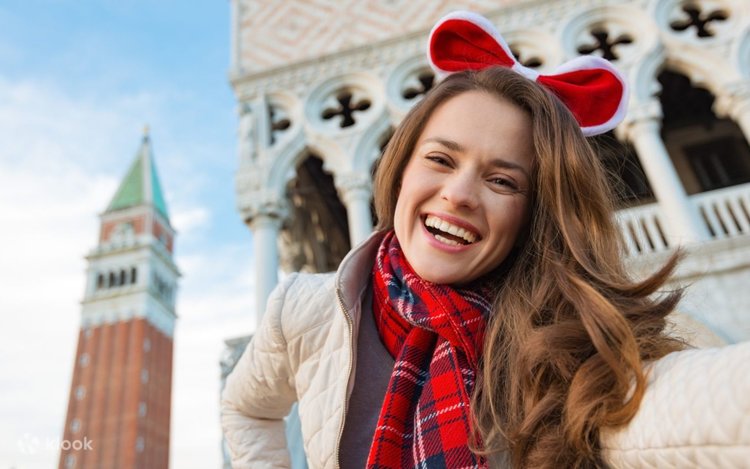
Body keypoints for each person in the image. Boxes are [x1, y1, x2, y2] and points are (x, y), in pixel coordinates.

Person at [221, 11, 750, 469]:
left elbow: (677, 410)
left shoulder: (566, 336)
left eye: (502, 181)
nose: (458, 195)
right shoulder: (304, 311)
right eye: (440, 159)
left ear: (535, 215)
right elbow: (245, 408)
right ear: (400, 169)